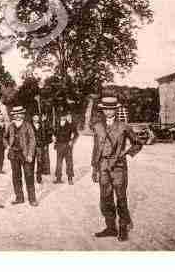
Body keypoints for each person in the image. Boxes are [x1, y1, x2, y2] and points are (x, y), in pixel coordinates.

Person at [91, 96, 142, 242]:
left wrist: (126, 153)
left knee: (120, 198)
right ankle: (111, 228)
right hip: (103, 166)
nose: (108, 111)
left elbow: (137, 143)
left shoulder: (123, 126)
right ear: (103, 110)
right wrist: (94, 168)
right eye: (106, 109)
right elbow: (96, 149)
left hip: (118, 166)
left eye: (111, 109)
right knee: (105, 198)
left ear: (115, 109)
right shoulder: (97, 126)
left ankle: (123, 227)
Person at [6, 106, 38, 206]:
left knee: (29, 176)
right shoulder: (10, 126)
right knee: (16, 177)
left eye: (20, 114)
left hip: (25, 154)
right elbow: (5, 137)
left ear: (23, 115)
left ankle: (32, 199)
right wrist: (7, 146)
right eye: (16, 114)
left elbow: (33, 140)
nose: (18, 116)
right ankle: (19, 197)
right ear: (13, 115)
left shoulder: (28, 125)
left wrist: (30, 154)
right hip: (14, 155)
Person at [53, 112, 79, 185]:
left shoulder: (70, 125)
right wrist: (54, 138)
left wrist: (72, 141)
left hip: (67, 146)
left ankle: (70, 178)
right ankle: (58, 178)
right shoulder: (57, 124)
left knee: (69, 162)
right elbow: (54, 133)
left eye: (64, 116)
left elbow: (76, 134)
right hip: (59, 146)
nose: (62, 117)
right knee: (58, 163)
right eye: (61, 116)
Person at [32, 114, 51, 184]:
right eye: (35, 117)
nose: (36, 118)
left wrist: (45, 144)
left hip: (39, 146)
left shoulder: (42, 126)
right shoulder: (30, 126)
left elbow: (45, 135)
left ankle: (39, 177)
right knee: (31, 162)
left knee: (39, 162)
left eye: (37, 117)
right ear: (32, 118)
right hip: (32, 147)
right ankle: (30, 177)